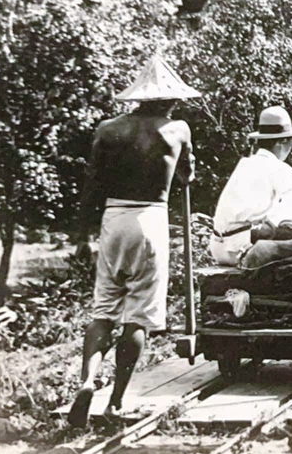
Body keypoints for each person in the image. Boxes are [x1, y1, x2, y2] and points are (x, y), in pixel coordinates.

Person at [68, 55, 198, 427]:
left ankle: (88, 380)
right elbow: (187, 176)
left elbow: (92, 183)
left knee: (103, 310)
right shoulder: (178, 130)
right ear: (170, 100)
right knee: (138, 316)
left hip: (113, 218)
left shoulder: (108, 130)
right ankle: (117, 402)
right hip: (150, 217)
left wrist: (83, 234)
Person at [211, 106, 292, 267]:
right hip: (242, 250)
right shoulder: (280, 169)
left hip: (219, 249)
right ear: (283, 141)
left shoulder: (245, 164)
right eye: (291, 141)